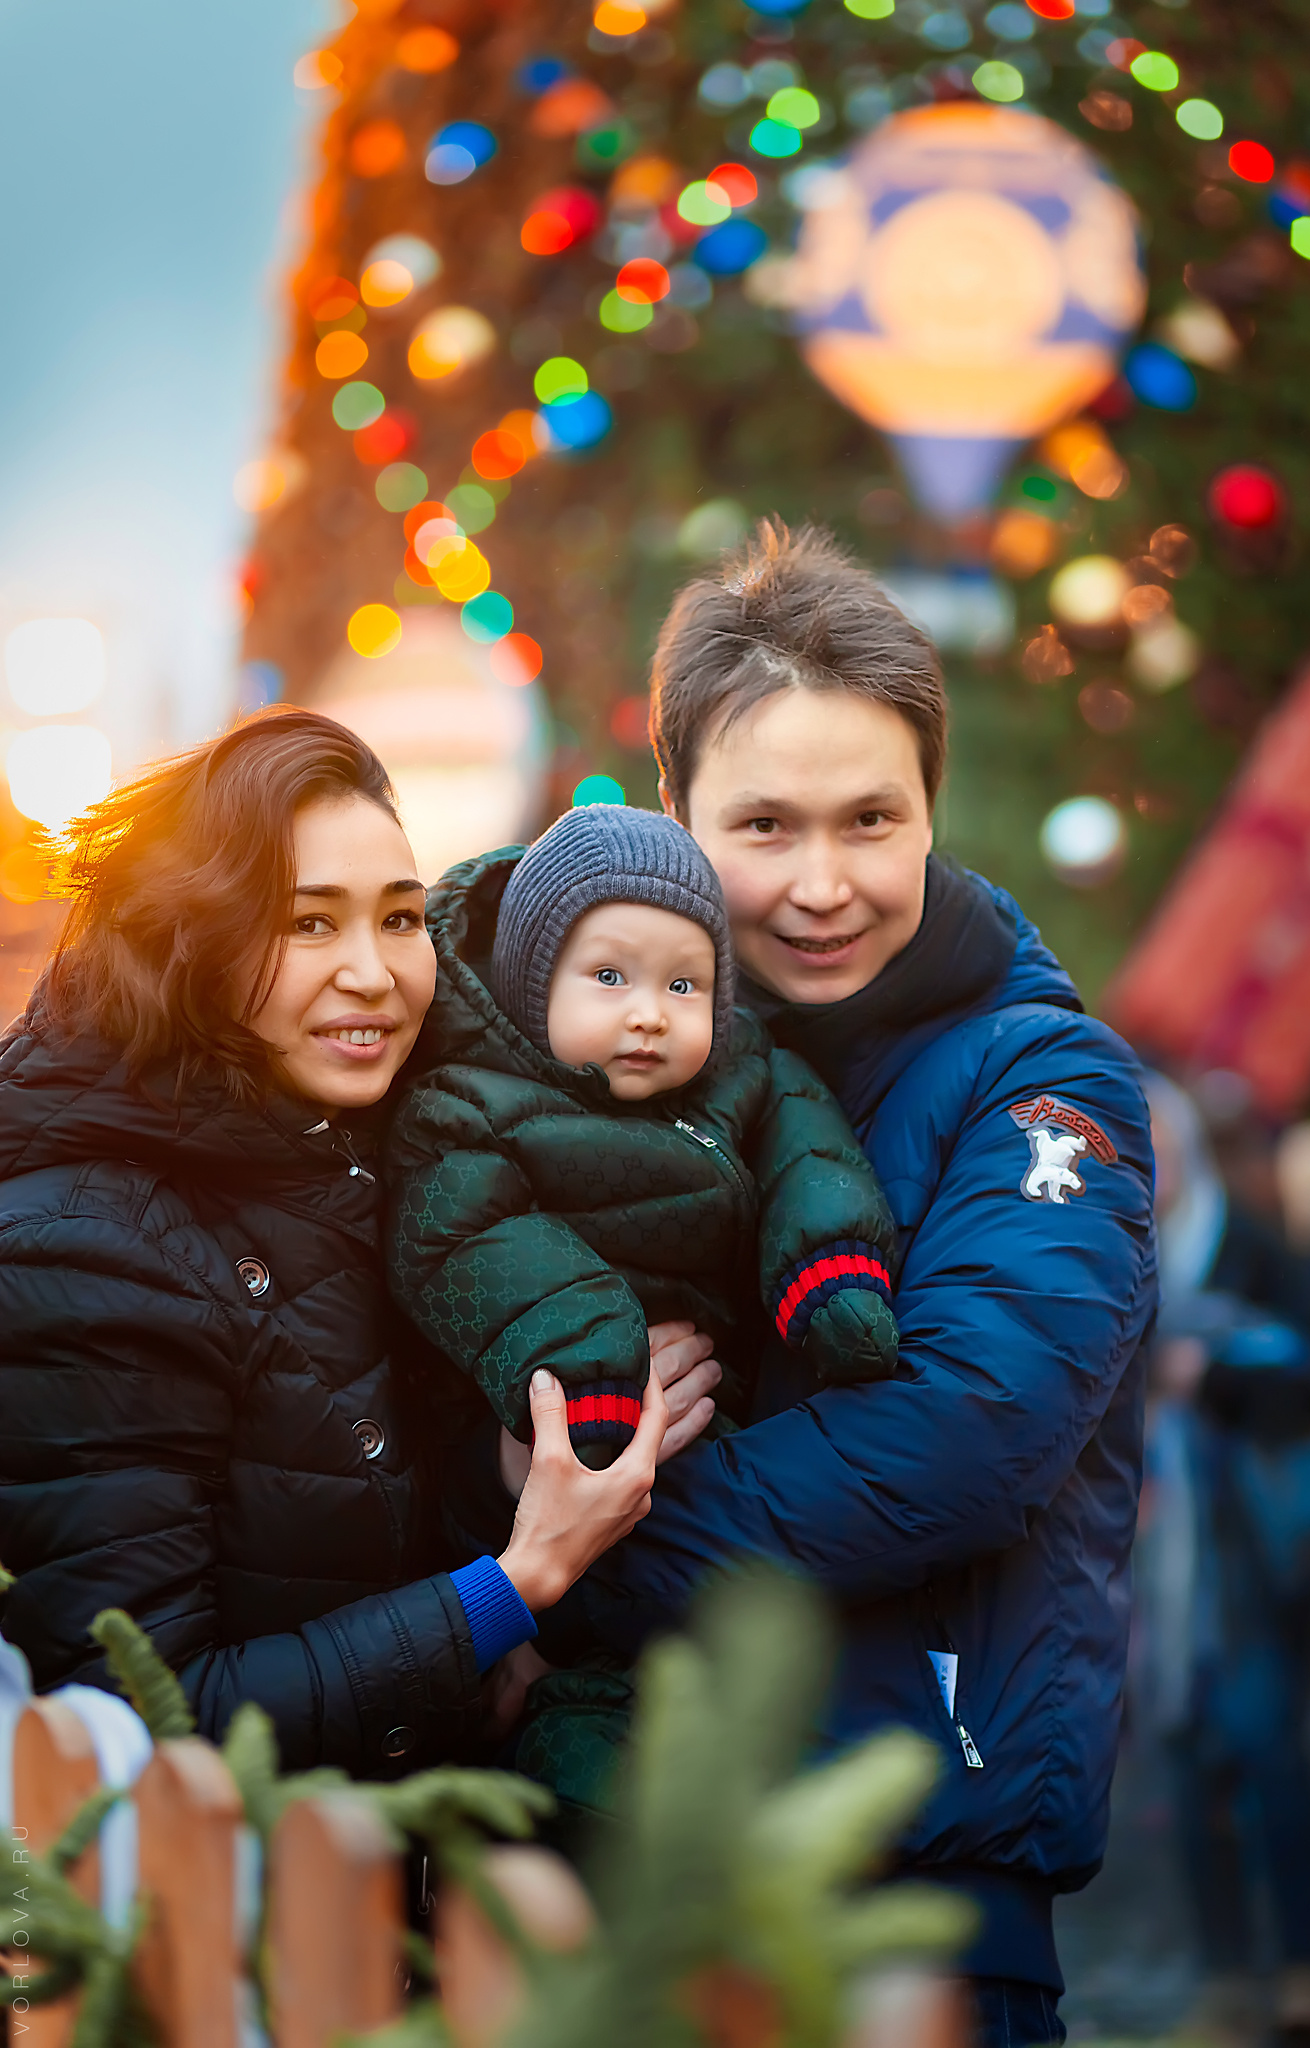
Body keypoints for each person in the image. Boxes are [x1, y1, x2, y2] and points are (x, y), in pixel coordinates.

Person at [495, 522, 1158, 2047]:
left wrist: (580, 1547)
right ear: (675, 814)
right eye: (764, 826)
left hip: (918, 1890)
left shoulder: (1040, 1082)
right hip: (624, 1860)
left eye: (870, 819)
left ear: (934, 804)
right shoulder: (615, 1076)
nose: (820, 885)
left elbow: (971, 1428)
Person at [0, 710, 720, 1774]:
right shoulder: (80, 1251)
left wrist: (510, 1465)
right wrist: (512, 1588)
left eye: (398, 917)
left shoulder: (359, 1152)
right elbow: (142, 1715)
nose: (376, 973)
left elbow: (333, 1487)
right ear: (188, 938)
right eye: (308, 924)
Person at [386, 801, 899, 1476]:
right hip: (569, 1403)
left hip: (724, 1395)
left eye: (683, 985)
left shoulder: (741, 1066)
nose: (650, 1014)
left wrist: (831, 1268)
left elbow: (810, 1156)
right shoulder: (464, 1109)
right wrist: (589, 1367)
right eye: (608, 977)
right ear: (530, 984)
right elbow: (464, 1243)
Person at [1141, 1072, 1310, 2048]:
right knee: (1185, 1756)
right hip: (1160, 1551)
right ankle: (1225, 1976)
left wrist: (1206, 1373)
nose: (1150, 1163)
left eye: (1159, 1140)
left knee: (1270, 1745)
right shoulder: (1108, 1259)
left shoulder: (1246, 1243)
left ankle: (1303, 1964)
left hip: (1254, 1542)